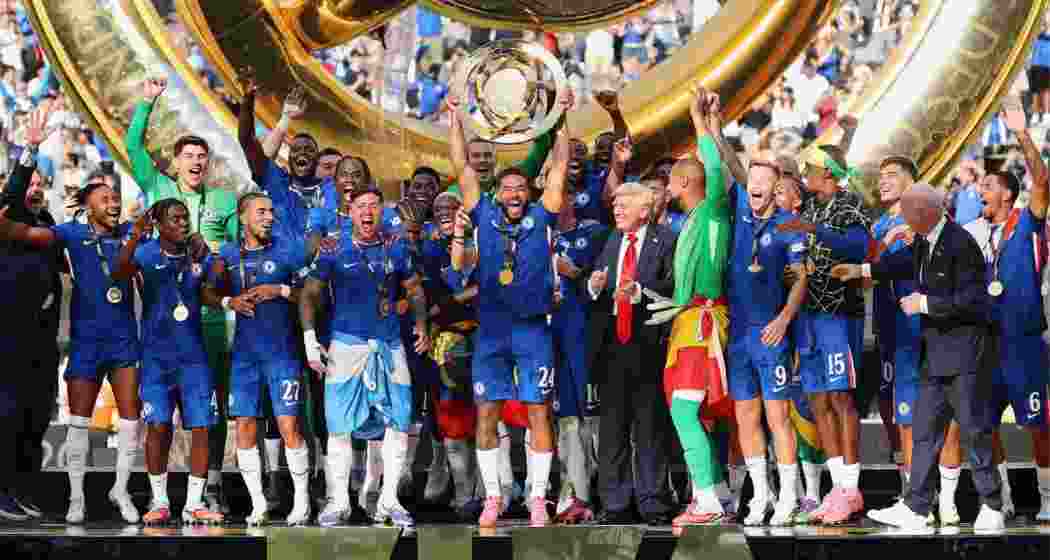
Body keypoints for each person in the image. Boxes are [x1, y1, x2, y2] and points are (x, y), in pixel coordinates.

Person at [834, 184, 1005, 531]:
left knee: (975, 431)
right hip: (937, 357)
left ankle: (992, 505)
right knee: (925, 432)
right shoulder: (926, 241)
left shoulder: (960, 244)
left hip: (967, 357)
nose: (903, 221)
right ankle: (916, 507)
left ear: (925, 213)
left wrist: (924, 304)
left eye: (908, 214)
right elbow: (901, 262)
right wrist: (861, 271)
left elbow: (975, 301)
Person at [448, 88, 572, 528]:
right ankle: (493, 497)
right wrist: (455, 118)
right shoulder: (481, 212)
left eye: (521, 188)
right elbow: (462, 167)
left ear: (530, 192)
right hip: (493, 331)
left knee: (539, 412)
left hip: (534, 330)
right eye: (508, 188)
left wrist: (560, 117)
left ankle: (539, 498)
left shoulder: (544, 214)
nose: (515, 194)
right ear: (497, 194)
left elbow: (559, 165)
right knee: (487, 412)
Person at [0, 177, 142, 524]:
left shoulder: (132, 232)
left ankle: (120, 490)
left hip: (124, 339)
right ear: (88, 206)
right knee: (78, 422)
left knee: (131, 419)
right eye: (105, 198)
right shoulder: (70, 234)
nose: (113, 203)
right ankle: (76, 498)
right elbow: (21, 234)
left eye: (115, 198)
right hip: (87, 341)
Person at [127, 76, 239, 511]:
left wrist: (214, 258)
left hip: (209, 320)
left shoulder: (224, 201)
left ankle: (208, 487)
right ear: (174, 164)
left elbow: (234, 249)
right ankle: (160, 497)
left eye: (201, 157)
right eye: (188, 156)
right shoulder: (159, 190)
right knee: (161, 417)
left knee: (208, 411)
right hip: (161, 322)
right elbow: (135, 150)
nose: (195, 161)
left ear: (208, 165)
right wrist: (146, 103)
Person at [300, 184, 431, 528]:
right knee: (339, 425)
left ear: (381, 210)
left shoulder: (395, 245)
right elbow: (309, 294)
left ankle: (390, 500)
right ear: (350, 210)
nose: (368, 212)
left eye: (374, 205)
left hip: (389, 345)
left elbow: (414, 288)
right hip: (346, 346)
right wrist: (310, 339)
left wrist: (420, 323)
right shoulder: (332, 246)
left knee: (398, 422)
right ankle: (339, 501)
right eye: (361, 206)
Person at [963, 105, 1050, 523]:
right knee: (984, 423)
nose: (981, 190)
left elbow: (1043, 180)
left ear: (1008, 195)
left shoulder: (1029, 222)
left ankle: (1047, 498)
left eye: (989, 185)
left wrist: (1022, 135)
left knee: (1038, 423)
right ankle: (1001, 500)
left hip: (1024, 340)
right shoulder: (977, 234)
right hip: (986, 342)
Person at [113, 199, 224, 525]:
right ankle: (159, 501)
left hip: (193, 358)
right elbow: (119, 271)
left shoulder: (196, 254)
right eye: (175, 219)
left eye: (185, 218)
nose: (183, 223)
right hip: (156, 359)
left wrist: (212, 262)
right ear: (159, 224)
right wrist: (135, 234)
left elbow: (213, 288)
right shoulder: (146, 253)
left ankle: (194, 503)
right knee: (159, 427)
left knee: (202, 427)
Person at [776, 143, 870, 525]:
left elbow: (859, 247)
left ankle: (852, 488)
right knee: (817, 401)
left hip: (838, 315)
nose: (806, 173)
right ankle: (837, 486)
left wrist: (815, 230)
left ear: (828, 172)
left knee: (840, 397)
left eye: (810, 168)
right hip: (809, 317)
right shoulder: (811, 206)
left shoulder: (852, 204)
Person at [652, 87, 732, 526]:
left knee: (685, 409)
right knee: (693, 410)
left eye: (671, 179)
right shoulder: (690, 222)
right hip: (688, 323)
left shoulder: (713, 211)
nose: (666, 185)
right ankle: (715, 490)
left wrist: (701, 125)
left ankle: (707, 502)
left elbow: (715, 169)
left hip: (702, 326)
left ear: (683, 182)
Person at [869, 156, 964, 524]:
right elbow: (868, 275)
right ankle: (915, 502)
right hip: (896, 337)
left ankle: (949, 503)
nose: (884, 182)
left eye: (892, 175)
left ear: (912, 181)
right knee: (905, 419)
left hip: (934, 330)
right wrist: (883, 246)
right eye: (881, 176)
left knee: (945, 414)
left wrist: (919, 239)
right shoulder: (879, 226)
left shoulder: (930, 217)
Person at [209, 192, 313, 526]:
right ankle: (258, 504)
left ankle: (302, 501)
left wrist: (279, 291)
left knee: (289, 427)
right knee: (243, 427)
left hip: (283, 355)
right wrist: (229, 301)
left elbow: (314, 296)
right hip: (244, 358)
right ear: (242, 216)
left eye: (271, 211)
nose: (269, 217)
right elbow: (207, 292)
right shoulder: (227, 254)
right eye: (261, 212)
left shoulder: (288, 251)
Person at [586, 182, 676, 525]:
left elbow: (677, 286)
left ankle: (652, 502)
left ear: (645, 209)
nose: (617, 209)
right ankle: (616, 503)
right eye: (615, 204)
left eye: (624, 204)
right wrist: (594, 286)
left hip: (649, 345)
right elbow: (595, 281)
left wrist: (641, 290)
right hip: (612, 348)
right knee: (612, 430)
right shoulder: (610, 240)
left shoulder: (665, 239)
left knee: (649, 427)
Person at [0, 103, 62, 521]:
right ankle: (3, 492)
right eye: (31, 182)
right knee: (6, 416)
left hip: (43, 341)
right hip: (8, 337)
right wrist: (30, 150)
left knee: (35, 417)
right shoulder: (10, 215)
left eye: (42, 182)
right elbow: (9, 195)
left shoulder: (50, 221)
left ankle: (23, 490)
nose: (35, 188)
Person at [421, 191, 482, 520]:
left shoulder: (485, 243)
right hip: (446, 344)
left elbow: (488, 287)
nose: (445, 212)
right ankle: (462, 494)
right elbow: (425, 299)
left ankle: (488, 492)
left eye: (452, 207)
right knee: (452, 420)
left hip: (486, 340)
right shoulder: (429, 251)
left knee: (488, 418)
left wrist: (456, 297)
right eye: (439, 208)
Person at [549, 188, 609, 524]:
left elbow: (607, 276)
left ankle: (609, 491)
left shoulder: (594, 233)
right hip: (549, 339)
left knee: (594, 418)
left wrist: (574, 273)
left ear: (573, 199)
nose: (555, 201)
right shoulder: (533, 237)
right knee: (566, 419)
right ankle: (575, 492)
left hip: (583, 338)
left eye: (561, 195)